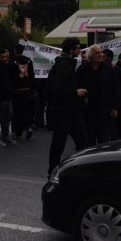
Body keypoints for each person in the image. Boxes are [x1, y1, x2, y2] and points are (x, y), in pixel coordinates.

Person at [48, 37, 88, 175]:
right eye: (77, 48)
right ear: (71, 50)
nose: (79, 50)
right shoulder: (63, 65)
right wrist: (75, 92)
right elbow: (57, 88)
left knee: (82, 140)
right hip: (63, 111)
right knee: (60, 142)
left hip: (70, 110)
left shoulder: (68, 64)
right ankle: (53, 168)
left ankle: (79, 167)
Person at [77, 45, 120, 146]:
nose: (101, 55)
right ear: (91, 56)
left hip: (104, 111)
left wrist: (115, 107)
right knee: (89, 140)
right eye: (97, 53)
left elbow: (116, 88)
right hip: (88, 111)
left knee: (104, 141)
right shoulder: (82, 70)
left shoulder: (108, 70)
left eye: (101, 53)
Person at [10, 44, 36, 140]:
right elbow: (32, 75)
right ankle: (28, 127)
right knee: (27, 110)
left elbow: (10, 77)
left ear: (15, 51)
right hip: (27, 90)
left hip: (16, 90)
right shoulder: (28, 61)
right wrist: (33, 88)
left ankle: (18, 131)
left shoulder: (12, 62)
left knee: (17, 111)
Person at [0, 49, 15, 147]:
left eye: (6, 57)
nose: (5, 59)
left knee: (8, 116)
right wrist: (0, 96)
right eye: (3, 57)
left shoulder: (7, 66)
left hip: (7, 96)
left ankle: (5, 136)